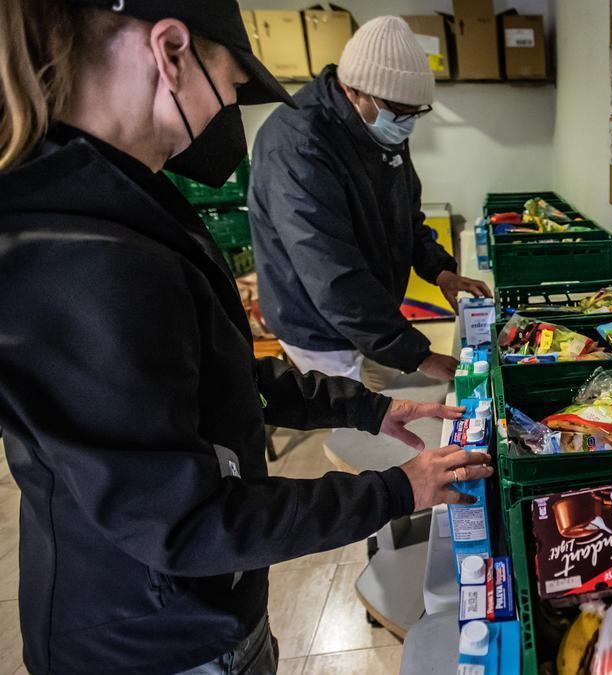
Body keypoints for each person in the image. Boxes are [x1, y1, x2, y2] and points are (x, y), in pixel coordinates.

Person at [0, 1, 490, 673]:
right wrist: (395, 490)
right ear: (171, 53)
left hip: (206, 610)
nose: (231, 104)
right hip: (157, 643)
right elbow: (190, 520)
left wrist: (367, 405)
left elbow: (218, 381)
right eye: (232, 81)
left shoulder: (120, 201)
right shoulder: (79, 258)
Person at [248, 16, 492, 386]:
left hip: (369, 314)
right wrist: (417, 354)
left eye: (415, 113)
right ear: (353, 90)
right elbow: (331, 273)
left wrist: (439, 270)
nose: (406, 123)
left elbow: (404, 214)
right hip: (324, 328)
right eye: (399, 110)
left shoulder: (380, 124)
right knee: (373, 424)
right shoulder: (297, 145)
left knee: (392, 395)